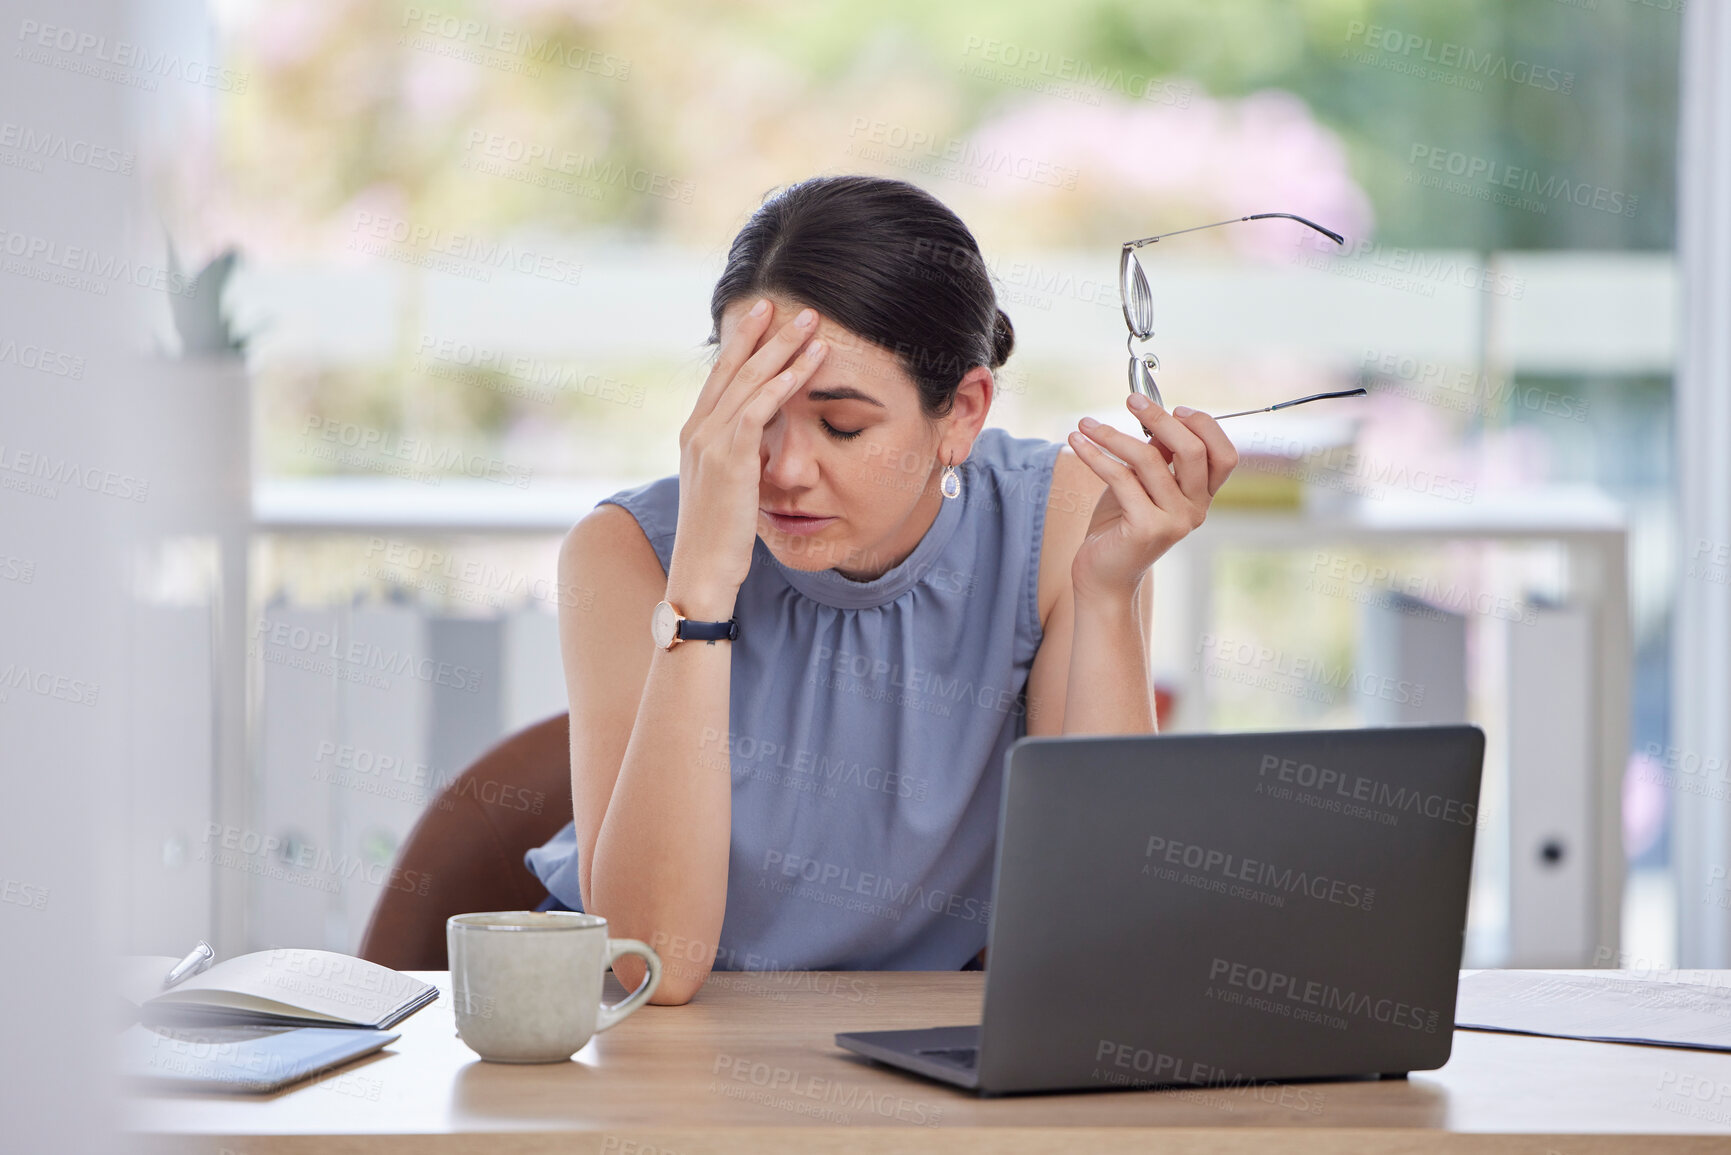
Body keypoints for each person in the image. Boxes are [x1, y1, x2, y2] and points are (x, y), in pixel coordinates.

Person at [525, 174, 1238, 1003]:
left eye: (843, 425)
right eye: (755, 415)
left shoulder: (1062, 518)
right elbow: (648, 965)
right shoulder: (627, 553)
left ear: (963, 412)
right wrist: (703, 587)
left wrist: (1110, 595)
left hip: (905, 1028)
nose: (784, 472)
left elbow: (1103, 936)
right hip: (646, 1025)